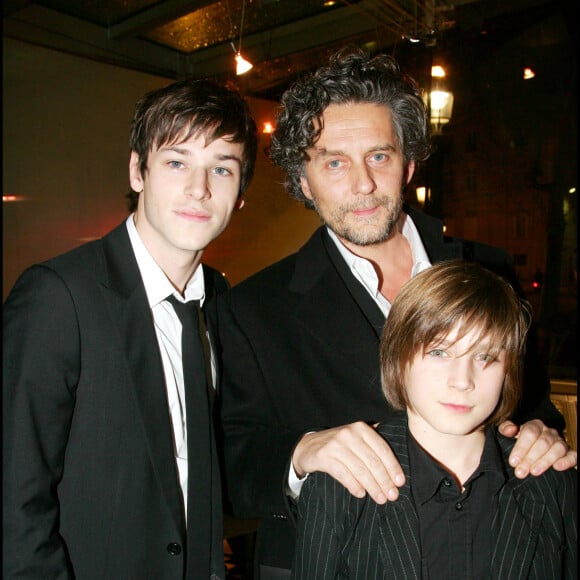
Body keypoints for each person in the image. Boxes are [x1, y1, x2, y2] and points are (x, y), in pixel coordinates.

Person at [215, 48, 577, 578]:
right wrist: (302, 451)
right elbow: (228, 460)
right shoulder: (251, 308)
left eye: (379, 157)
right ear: (304, 179)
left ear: (407, 165)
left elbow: (531, 401)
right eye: (334, 162)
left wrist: (541, 433)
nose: (361, 183)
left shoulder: (488, 271)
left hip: (490, 553)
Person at [3, 78, 257, 579]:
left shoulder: (219, 300)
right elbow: (14, 504)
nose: (199, 189)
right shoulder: (58, 297)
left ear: (241, 194)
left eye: (221, 168)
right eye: (177, 162)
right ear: (138, 170)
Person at [292, 260, 577, 579]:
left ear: (508, 370)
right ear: (399, 359)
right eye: (439, 352)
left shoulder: (551, 482)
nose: (462, 380)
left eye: (485, 357)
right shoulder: (337, 489)